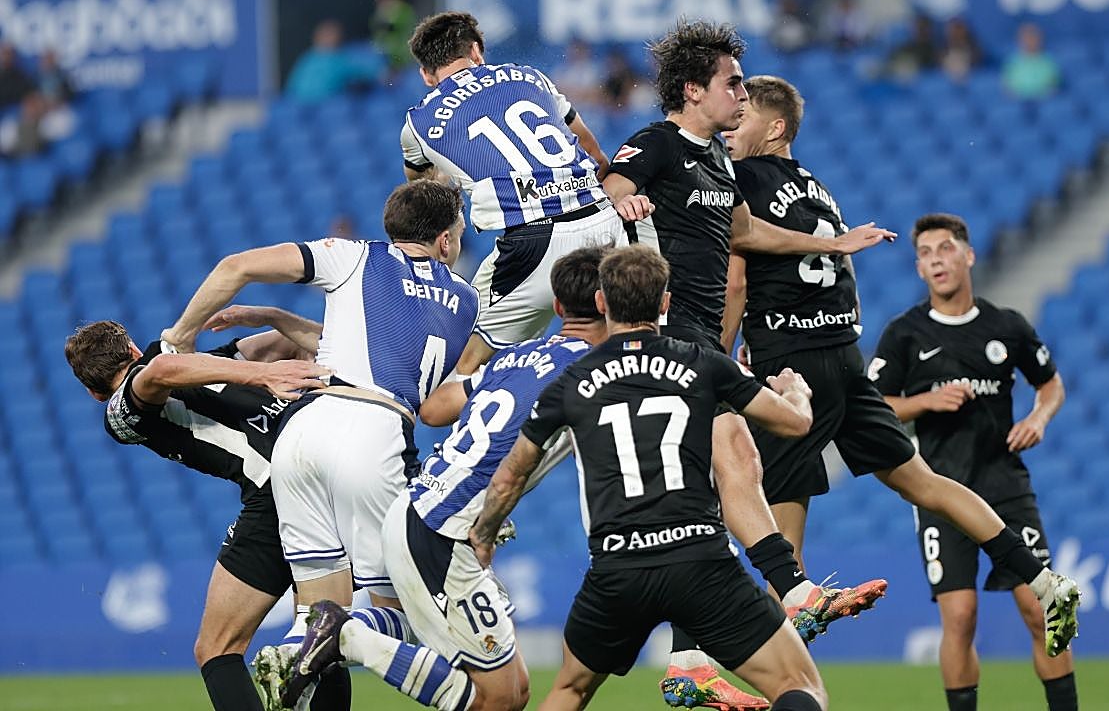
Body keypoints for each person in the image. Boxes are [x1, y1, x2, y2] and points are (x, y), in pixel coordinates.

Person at [720, 78, 1081, 669]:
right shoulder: (816, 189)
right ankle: (1042, 581)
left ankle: (789, 681)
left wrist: (722, 357)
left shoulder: (743, 181)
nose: (731, 126)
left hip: (793, 370)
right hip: (844, 357)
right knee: (924, 483)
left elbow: (736, 274)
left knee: (782, 559)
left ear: (777, 128)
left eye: (744, 117)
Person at [603, 20, 895, 709]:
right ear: (693, 89)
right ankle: (788, 595)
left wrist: (835, 244)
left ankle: (690, 658)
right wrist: (625, 197)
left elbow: (745, 232)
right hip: (668, 330)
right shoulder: (658, 142)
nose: (741, 89)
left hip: (703, 334)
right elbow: (612, 178)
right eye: (731, 81)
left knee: (718, 479)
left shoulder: (716, 161)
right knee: (737, 455)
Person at [468, 245, 829, 711]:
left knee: (570, 690)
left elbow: (508, 479)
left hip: (617, 570)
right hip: (700, 561)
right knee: (800, 685)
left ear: (602, 303)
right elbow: (794, 425)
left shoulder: (571, 382)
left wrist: (483, 536)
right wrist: (796, 392)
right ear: (664, 303)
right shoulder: (704, 364)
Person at [160, 181, 479, 708]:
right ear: (445, 242)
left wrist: (178, 340)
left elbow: (233, 267)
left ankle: (296, 648)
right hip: (376, 433)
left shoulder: (349, 257)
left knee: (316, 616)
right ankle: (301, 647)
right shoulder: (466, 303)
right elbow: (421, 387)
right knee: (391, 622)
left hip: (303, 431)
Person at [280, 246, 611, 711]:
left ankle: (349, 629)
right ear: (608, 303)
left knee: (514, 692)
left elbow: (435, 409)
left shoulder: (515, 358)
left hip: (421, 505)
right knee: (496, 701)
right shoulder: (598, 374)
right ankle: (348, 634)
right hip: (449, 532)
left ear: (558, 307)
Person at [63, 317, 345, 711]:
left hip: (276, 489)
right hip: (329, 475)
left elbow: (165, 367)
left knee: (217, 648)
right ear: (131, 350)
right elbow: (294, 339)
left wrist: (264, 364)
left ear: (93, 392)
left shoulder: (124, 409)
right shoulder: (156, 382)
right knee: (322, 629)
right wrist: (273, 336)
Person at [870, 213, 1077, 711]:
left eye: (945, 248)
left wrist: (1039, 419)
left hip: (1004, 482)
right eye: (925, 252)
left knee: (1039, 608)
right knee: (959, 616)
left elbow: (1051, 385)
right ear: (919, 268)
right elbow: (874, 405)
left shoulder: (1006, 326)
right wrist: (925, 402)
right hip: (940, 489)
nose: (936, 259)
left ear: (968, 255)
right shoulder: (905, 334)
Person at [401, 11, 625, 376]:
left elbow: (421, 187)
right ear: (476, 51)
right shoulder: (531, 76)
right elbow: (595, 154)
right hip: (603, 222)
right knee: (619, 352)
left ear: (426, 75)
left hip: (531, 244)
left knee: (461, 368)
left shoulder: (418, 122)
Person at [285, 20, 378, 103]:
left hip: (303, 105)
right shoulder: (335, 58)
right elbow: (360, 71)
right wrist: (380, 74)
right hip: (323, 104)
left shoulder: (307, 57)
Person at [1002, 23, 1059, 99]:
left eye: (1033, 37)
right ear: (1019, 40)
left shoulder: (1049, 61)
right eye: (1026, 37)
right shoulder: (1012, 61)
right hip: (1018, 100)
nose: (1029, 41)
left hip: (1043, 100)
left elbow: (1054, 85)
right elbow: (1006, 86)